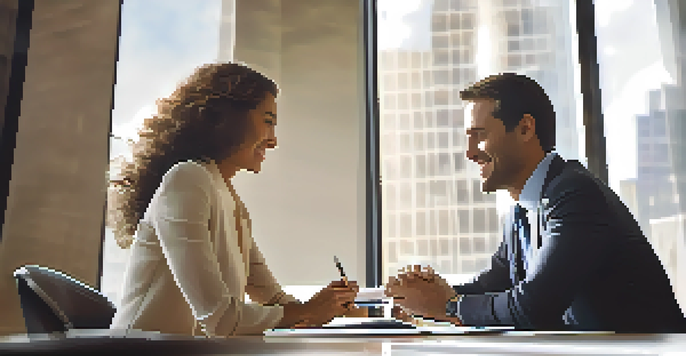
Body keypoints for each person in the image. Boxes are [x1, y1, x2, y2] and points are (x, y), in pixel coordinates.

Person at [385, 72, 686, 333]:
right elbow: (494, 287)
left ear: (526, 129)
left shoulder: (575, 194)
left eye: (479, 135)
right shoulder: (521, 210)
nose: (469, 152)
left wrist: (449, 306)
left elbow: (533, 306)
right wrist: (421, 299)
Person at [109, 62, 359, 337]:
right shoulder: (187, 179)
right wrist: (309, 311)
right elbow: (221, 319)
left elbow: (274, 300)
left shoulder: (228, 198)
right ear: (228, 118)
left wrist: (330, 305)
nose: (273, 140)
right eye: (268, 121)